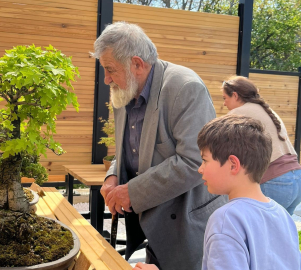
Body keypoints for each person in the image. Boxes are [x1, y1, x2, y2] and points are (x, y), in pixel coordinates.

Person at [92, 21, 227, 270]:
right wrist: (113, 175)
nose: (106, 79)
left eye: (110, 69)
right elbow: (129, 150)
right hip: (152, 226)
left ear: (137, 64)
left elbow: (194, 161)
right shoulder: (124, 91)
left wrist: (132, 191)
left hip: (187, 227)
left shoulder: (185, 88)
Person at [134, 114, 301, 270]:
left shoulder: (226, 219)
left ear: (233, 165)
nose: (200, 169)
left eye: (205, 160)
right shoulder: (282, 214)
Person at [222, 76, 301, 215]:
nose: (224, 104)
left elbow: (215, 142)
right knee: (279, 234)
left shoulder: (238, 113)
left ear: (235, 95)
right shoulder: (266, 110)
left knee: (259, 233)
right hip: (296, 179)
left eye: (224, 98)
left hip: (275, 182)